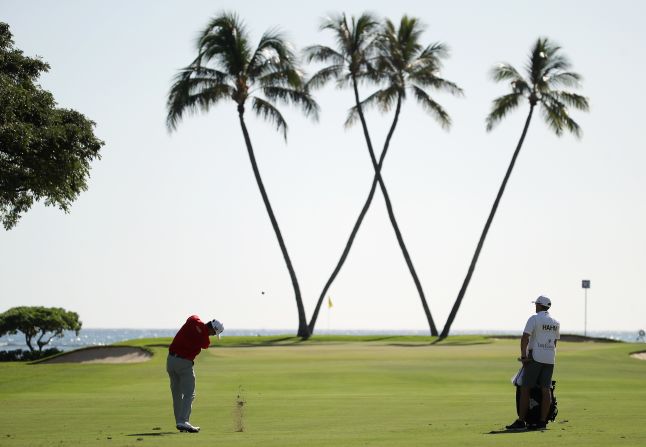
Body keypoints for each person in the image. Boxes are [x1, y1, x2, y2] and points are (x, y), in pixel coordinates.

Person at [506, 295, 560, 430]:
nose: (535, 306)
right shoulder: (555, 322)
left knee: (525, 388)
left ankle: (521, 421)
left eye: (536, 304)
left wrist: (524, 356)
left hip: (535, 356)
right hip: (550, 358)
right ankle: (542, 422)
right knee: (546, 389)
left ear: (539, 305)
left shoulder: (534, 318)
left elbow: (525, 337)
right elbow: (555, 342)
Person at [167, 315, 224, 433]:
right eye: (213, 333)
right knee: (189, 393)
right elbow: (205, 344)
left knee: (176, 394)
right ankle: (183, 421)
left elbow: (192, 318)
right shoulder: (205, 340)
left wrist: (199, 325)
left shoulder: (193, 321)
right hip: (184, 364)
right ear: (212, 329)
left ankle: (180, 423)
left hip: (170, 361)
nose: (212, 336)